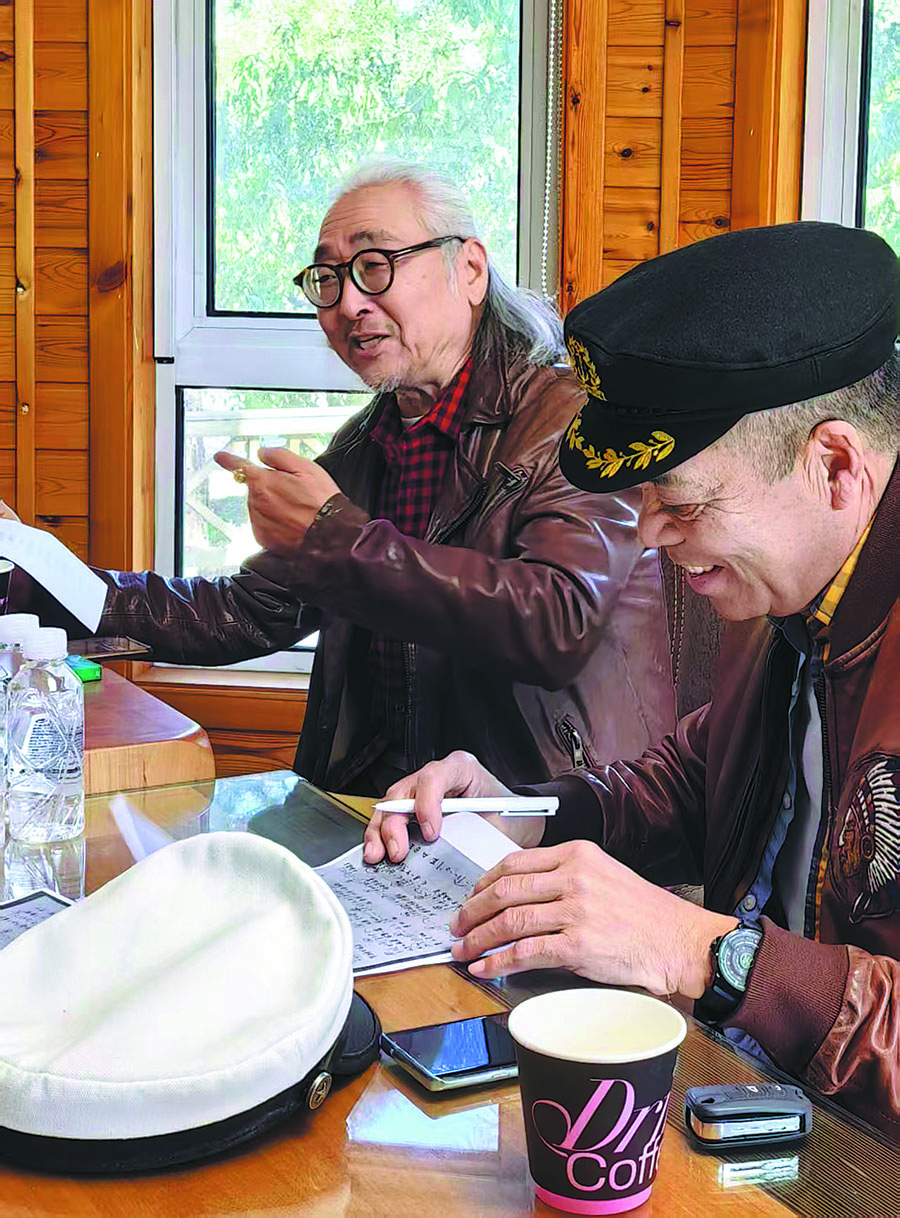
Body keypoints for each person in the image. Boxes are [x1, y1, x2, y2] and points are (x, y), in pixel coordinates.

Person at [364, 220, 900, 1139]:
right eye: (642, 499)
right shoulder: (784, 583)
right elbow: (702, 780)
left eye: (680, 502)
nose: (649, 534)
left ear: (836, 466)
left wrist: (706, 952)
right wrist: (524, 814)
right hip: (745, 1115)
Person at [8, 160, 674, 793]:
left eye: (374, 265)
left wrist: (336, 537)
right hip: (380, 810)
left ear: (469, 269)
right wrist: (33, 577)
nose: (348, 301)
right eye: (327, 278)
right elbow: (244, 612)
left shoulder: (574, 420)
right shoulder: (364, 445)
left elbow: (556, 624)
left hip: (543, 816)